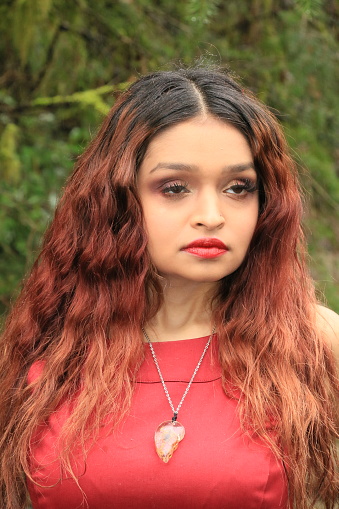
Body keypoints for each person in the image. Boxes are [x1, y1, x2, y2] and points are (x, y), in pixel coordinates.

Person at [0, 66, 338, 509]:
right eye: (175, 187)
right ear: (118, 199)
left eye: (239, 187)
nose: (212, 214)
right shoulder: (48, 349)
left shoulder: (312, 342)